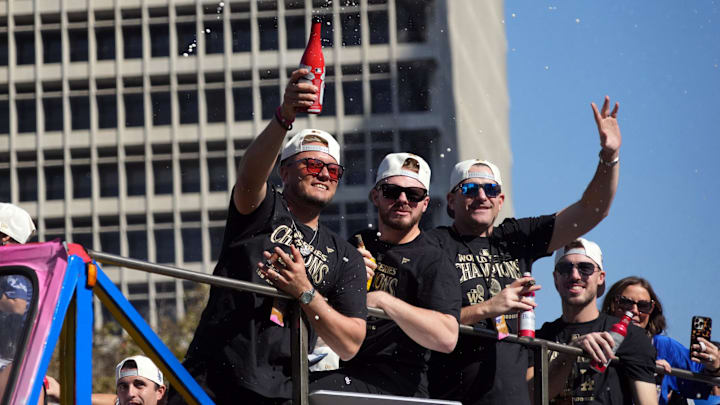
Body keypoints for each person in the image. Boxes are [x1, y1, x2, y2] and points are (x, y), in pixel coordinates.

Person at [171, 69, 367, 404]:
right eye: (310, 165)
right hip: (211, 379)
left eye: (332, 170)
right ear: (284, 170)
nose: (323, 174)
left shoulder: (345, 255)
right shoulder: (262, 209)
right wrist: (284, 116)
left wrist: (305, 291)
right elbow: (248, 176)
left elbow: (350, 343)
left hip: (281, 393)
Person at [427, 96, 623, 404]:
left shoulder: (516, 237)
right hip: (455, 394)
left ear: (500, 201)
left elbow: (591, 210)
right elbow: (427, 321)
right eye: (469, 188)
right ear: (452, 201)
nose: (481, 196)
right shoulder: (434, 244)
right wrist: (489, 308)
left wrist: (608, 155)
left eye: (490, 189)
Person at [309, 153, 461, 397]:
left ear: (425, 203)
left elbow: (447, 337)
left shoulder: (434, 260)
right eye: (391, 191)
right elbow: (321, 302)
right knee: (285, 383)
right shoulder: (358, 244)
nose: (402, 200)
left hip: (396, 383)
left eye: (413, 195)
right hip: (345, 366)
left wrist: (382, 301)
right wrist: (350, 276)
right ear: (375, 196)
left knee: (303, 391)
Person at [531, 238, 657, 405]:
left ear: (600, 277)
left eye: (585, 268)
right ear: (555, 278)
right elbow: (532, 398)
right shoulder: (539, 338)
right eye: (565, 268)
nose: (575, 276)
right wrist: (571, 351)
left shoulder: (631, 336)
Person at [602, 276, 720, 404]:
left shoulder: (664, 347)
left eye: (644, 306)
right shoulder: (595, 339)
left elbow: (701, 383)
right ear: (612, 304)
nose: (634, 311)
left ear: (652, 310)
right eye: (626, 303)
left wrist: (715, 366)